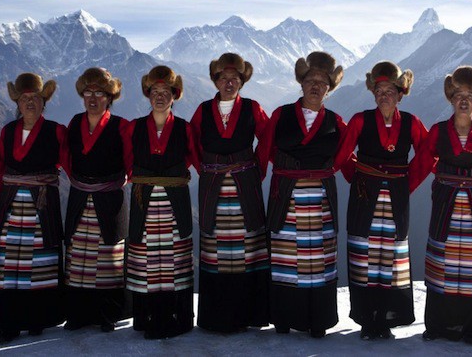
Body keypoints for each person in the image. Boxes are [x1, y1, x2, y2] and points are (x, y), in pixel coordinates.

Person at [334, 61, 427, 340]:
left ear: (400, 94)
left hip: (396, 198)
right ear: (373, 93)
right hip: (365, 197)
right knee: (364, 256)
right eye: (379, 90)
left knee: (391, 257)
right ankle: (366, 319)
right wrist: (360, 177)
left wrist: (406, 183)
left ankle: (385, 319)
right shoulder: (361, 120)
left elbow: (426, 156)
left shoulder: (411, 123)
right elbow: (342, 156)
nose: (384, 95)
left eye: (390, 90)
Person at [259, 51, 346, 338]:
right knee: (286, 258)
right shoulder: (281, 115)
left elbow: (347, 156)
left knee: (318, 260)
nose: (315, 86)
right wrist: (287, 169)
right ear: (301, 83)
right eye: (310, 80)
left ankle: (317, 320)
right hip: (287, 196)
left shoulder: (336, 121)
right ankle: (284, 318)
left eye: (322, 82)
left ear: (329, 88)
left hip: (320, 199)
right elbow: (266, 150)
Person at [412, 66, 472, 344]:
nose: (464, 100)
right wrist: (400, 191)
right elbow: (422, 165)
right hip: (447, 205)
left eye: (471, 95)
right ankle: (437, 325)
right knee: (442, 263)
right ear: (450, 97)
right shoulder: (438, 132)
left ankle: (471, 328)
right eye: (459, 94)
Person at [190, 53, 270, 333]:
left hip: (244, 185)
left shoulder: (252, 107)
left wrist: (255, 168)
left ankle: (247, 314)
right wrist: (208, 168)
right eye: (224, 77)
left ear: (242, 81)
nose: (229, 82)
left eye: (235, 78)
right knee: (216, 249)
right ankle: (216, 317)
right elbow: (192, 142)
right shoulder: (202, 110)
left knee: (247, 247)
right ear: (216, 80)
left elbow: (267, 136)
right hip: (214, 186)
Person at [0, 73, 66, 343]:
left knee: (40, 260)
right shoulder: (8, 131)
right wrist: (0, 195)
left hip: (41, 203)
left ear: (43, 102)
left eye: (35, 98)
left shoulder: (56, 131)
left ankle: (38, 319)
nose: (30, 103)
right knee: (9, 262)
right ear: (17, 103)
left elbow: (69, 162)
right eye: (24, 99)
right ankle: (8, 323)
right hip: (12, 203)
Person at [127, 66, 198, 339]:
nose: (159, 97)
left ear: (174, 96)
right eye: (154, 92)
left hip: (173, 199)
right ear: (148, 95)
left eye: (165, 92)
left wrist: (169, 177)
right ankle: (148, 318)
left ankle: (175, 318)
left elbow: (193, 157)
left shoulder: (184, 128)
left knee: (174, 259)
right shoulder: (134, 127)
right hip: (144, 198)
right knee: (147, 258)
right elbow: (127, 159)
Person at [62, 68, 132, 332]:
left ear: (109, 97)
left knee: (108, 256)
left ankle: (108, 313)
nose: (93, 98)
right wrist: (82, 183)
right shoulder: (75, 123)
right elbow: (67, 159)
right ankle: (78, 314)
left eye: (99, 93)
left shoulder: (121, 126)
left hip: (110, 199)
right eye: (88, 93)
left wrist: (109, 184)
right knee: (79, 255)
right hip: (80, 196)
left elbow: (130, 163)